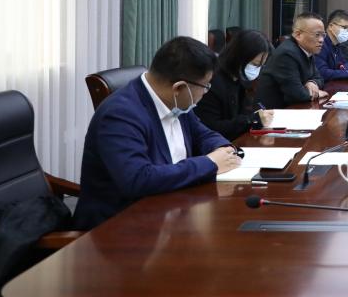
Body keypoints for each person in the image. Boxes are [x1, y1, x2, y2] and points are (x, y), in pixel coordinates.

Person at [73, 37, 241, 230]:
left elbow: (202, 134)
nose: (206, 93)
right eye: (205, 86)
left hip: (171, 210)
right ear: (179, 88)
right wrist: (210, 163)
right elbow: (138, 179)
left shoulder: (176, 102)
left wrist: (223, 149)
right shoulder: (120, 115)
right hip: (120, 228)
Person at [196, 29, 274, 141]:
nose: (256, 70)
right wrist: (251, 120)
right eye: (254, 64)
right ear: (238, 56)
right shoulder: (213, 81)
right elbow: (211, 127)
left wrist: (256, 117)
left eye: (260, 66)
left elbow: (243, 113)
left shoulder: (239, 79)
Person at [254, 12, 328, 108]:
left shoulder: (307, 49)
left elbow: (320, 78)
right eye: (317, 35)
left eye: (323, 35)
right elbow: (297, 94)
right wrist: (317, 93)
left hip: (294, 108)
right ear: (298, 35)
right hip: (272, 113)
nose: (321, 40)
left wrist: (312, 82)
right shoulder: (287, 54)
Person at [316, 9, 348, 80]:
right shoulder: (320, 44)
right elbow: (323, 73)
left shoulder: (337, 44)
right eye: (344, 27)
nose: (347, 31)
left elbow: (345, 63)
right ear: (331, 26)